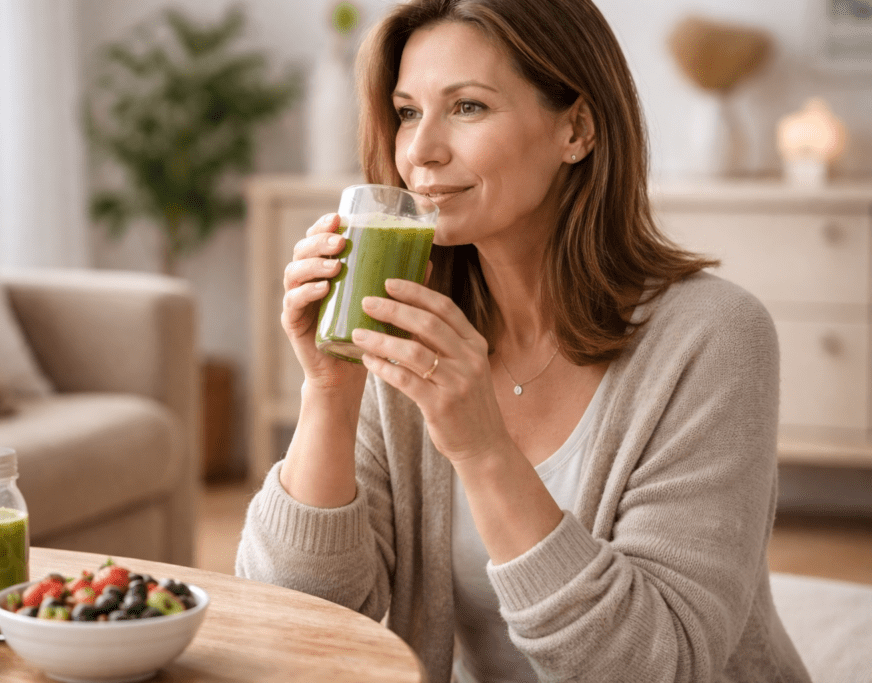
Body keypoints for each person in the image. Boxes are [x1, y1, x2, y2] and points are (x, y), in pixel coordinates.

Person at [236, 0, 812, 681]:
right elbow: (298, 624)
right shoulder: (406, 327)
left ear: (577, 128)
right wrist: (329, 391)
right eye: (408, 111)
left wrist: (483, 448)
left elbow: (662, 663)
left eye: (468, 107)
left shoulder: (714, 338)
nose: (420, 151)